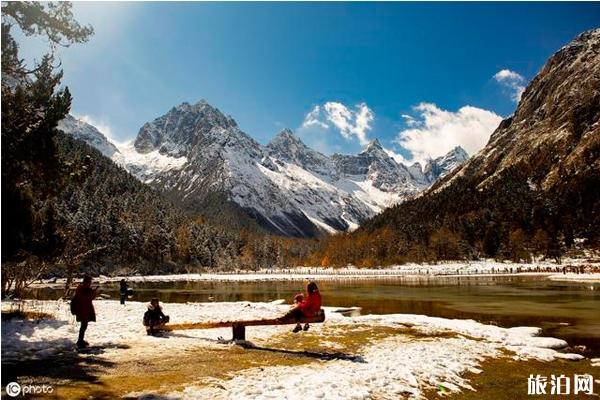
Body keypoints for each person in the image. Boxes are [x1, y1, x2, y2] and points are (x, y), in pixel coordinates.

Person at [72, 275, 97, 348]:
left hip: (83, 310)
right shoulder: (83, 289)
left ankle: (80, 340)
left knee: (84, 326)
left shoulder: (82, 288)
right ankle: (80, 341)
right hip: (83, 310)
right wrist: (93, 292)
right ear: (87, 282)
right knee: (83, 326)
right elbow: (87, 298)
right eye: (90, 282)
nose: (90, 283)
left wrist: (92, 291)